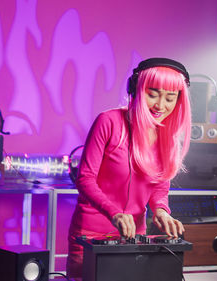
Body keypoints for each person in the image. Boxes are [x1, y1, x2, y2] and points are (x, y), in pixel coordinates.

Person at [66, 57, 192, 279]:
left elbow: (159, 187)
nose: (160, 106)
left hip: (134, 236)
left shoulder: (167, 137)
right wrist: (114, 213)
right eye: (152, 94)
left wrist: (161, 210)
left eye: (170, 98)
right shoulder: (109, 122)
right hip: (91, 233)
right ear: (136, 90)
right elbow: (85, 178)